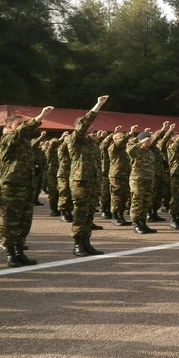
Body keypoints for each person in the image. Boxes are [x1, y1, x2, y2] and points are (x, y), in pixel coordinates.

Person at [0, 106, 54, 267]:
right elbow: (20, 132)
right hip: (11, 186)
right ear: (9, 127)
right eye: (18, 124)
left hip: (26, 186)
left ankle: (20, 252)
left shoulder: (24, 144)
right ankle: (10, 254)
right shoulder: (7, 140)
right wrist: (40, 116)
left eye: (23, 123)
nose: (22, 126)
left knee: (24, 221)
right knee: (11, 222)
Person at [66, 96, 110, 254]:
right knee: (81, 212)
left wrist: (100, 181)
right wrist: (98, 105)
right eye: (88, 125)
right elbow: (84, 123)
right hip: (81, 182)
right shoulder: (74, 140)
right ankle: (78, 244)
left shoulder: (92, 143)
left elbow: (97, 164)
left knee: (90, 212)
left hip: (92, 182)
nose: (91, 127)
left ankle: (86, 242)